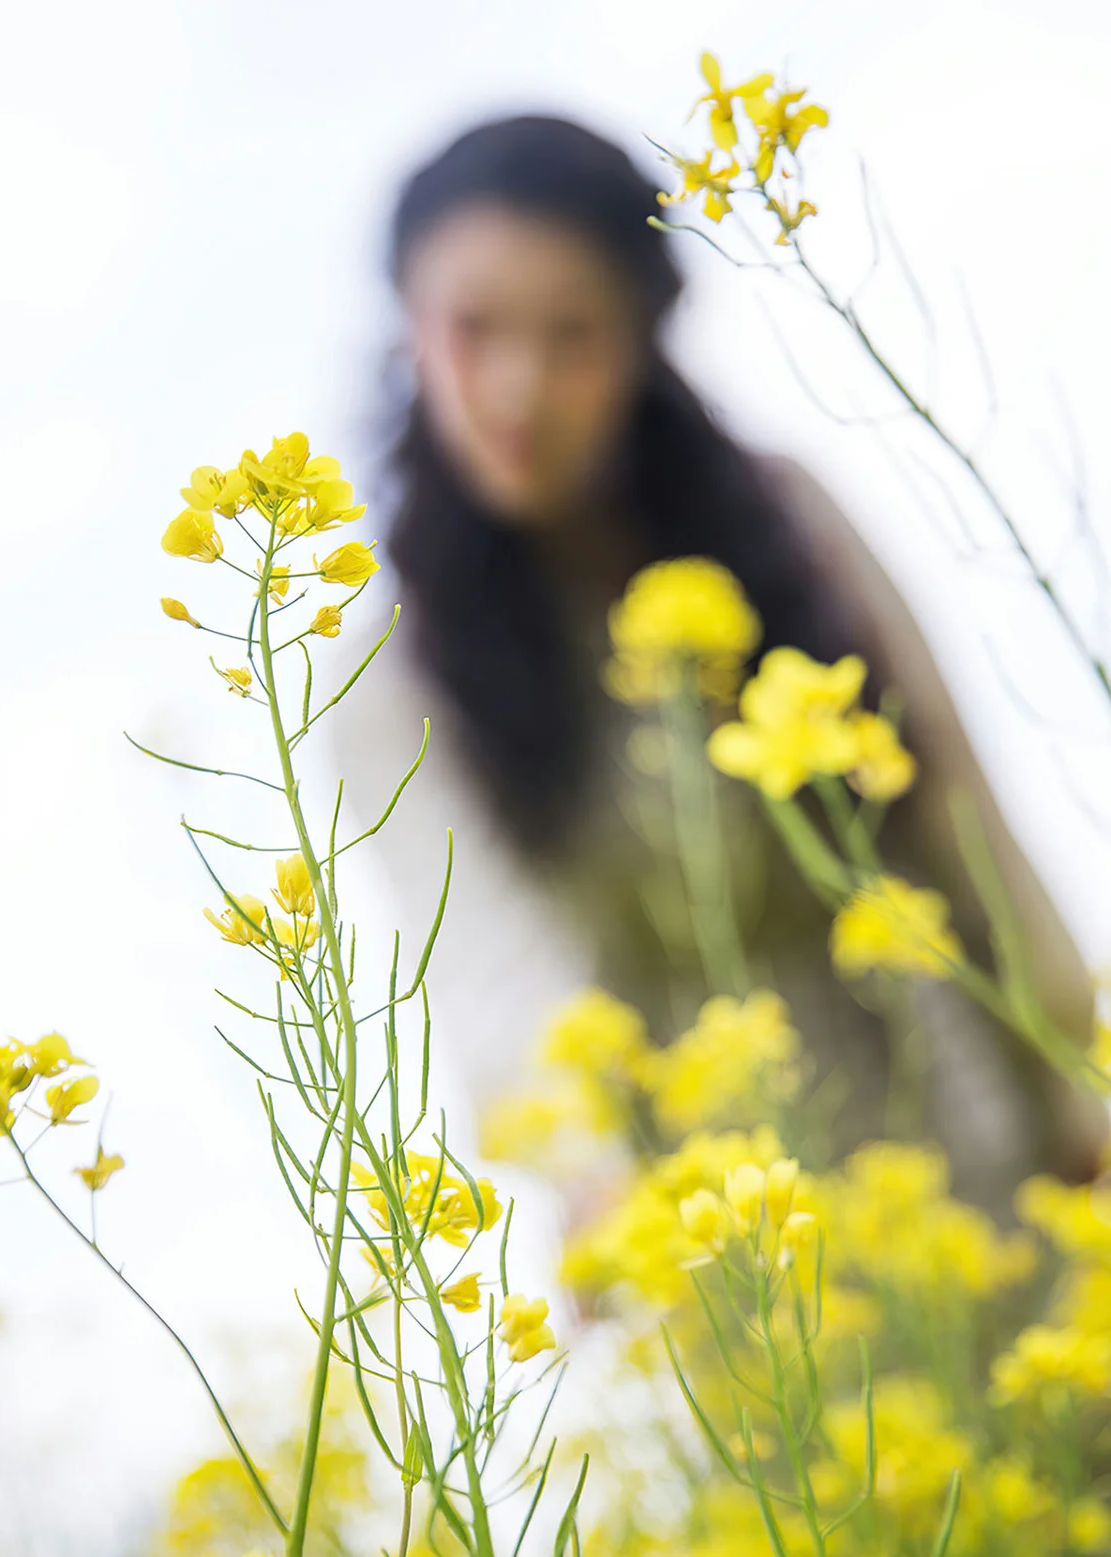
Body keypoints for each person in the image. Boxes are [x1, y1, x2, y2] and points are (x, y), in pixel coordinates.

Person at [325, 113, 1107, 1226]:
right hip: (716, 1226)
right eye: (474, 329)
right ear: (408, 326)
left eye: (573, 336)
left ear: (645, 343)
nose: (517, 390)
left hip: (968, 1136)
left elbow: (955, 809)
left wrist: (1078, 1079)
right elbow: (494, 973)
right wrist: (600, 1182)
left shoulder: (787, 522)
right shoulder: (387, 677)